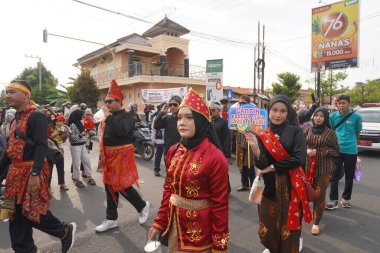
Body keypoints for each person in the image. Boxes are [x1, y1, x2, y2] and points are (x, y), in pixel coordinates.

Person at [148, 89, 229, 253]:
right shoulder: (173, 150)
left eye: (189, 117)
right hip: (174, 227)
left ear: (200, 120)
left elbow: (220, 205)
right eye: (179, 117)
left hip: (200, 233)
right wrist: (159, 222)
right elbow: (168, 190)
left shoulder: (215, 157)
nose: (181, 122)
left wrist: (219, 246)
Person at [0, 80, 76, 253]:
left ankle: (64, 231)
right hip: (14, 174)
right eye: (7, 92)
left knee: (32, 211)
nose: (8, 95)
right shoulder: (15, 119)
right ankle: (24, 249)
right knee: (11, 214)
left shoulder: (37, 116)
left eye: (12, 92)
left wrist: (35, 173)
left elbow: (42, 146)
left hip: (30, 171)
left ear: (26, 95)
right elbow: (9, 150)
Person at [245, 95, 311, 253]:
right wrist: (255, 148)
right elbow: (262, 165)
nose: (278, 114)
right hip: (268, 187)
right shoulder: (262, 134)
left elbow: (298, 158)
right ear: (268, 111)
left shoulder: (296, 131)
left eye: (282, 111)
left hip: (291, 186)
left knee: (289, 226)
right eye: (274, 110)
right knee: (268, 225)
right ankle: (272, 247)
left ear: (288, 113)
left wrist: (273, 167)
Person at [95, 80, 149, 232]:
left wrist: (107, 116)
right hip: (109, 156)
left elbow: (122, 131)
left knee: (122, 186)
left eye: (110, 101)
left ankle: (142, 206)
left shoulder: (128, 117)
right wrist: (101, 156)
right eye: (105, 102)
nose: (107, 104)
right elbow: (103, 137)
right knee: (110, 187)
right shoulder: (108, 117)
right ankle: (111, 218)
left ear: (119, 101)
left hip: (121, 156)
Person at [304, 107, 339, 235]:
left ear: (325, 118)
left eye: (321, 116)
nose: (318, 118)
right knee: (307, 192)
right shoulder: (308, 129)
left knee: (319, 195)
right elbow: (301, 145)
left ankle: (316, 222)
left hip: (323, 169)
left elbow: (337, 151)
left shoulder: (330, 133)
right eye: (316, 115)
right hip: (308, 167)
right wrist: (306, 150)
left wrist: (324, 152)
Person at [326, 94, 362, 210]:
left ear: (349, 103)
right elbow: (330, 132)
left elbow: (357, 133)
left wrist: (355, 147)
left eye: (343, 103)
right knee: (334, 176)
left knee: (349, 175)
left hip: (351, 150)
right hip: (336, 149)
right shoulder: (332, 116)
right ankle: (333, 200)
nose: (341, 105)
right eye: (339, 103)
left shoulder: (356, 117)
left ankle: (345, 199)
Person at [68, 110, 96, 188]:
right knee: (76, 163)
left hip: (82, 144)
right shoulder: (72, 125)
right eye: (81, 114)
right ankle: (76, 179)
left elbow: (83, 134)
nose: (83, 116)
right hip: (75, 146)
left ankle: (89, 176)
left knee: (86, 161)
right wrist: (81, 135)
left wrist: (86, 133)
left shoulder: (80, 123)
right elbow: (72, 137)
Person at [210, 102, 232, 192]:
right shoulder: (208, 122)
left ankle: (227, 189)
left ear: (219, 111)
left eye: (213, 110)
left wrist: (227, 155)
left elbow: (227, 140)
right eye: (210, 110)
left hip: (221, 152)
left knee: (223, 172)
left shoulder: (224, 123)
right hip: (210, 152)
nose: (211, 112)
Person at [48, 115, 70, 191]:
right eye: (57, 121)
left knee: (60, 168)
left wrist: (58, 133)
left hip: (59, 150)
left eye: (60, 121)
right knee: (49, 168)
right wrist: (54, 134)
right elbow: (47, 138)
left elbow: (62, 140)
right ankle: (47, 185)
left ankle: (62, 184)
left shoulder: (64, 129)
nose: (58, 123)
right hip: (50, 151)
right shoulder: (50, 128)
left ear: (63, 122)